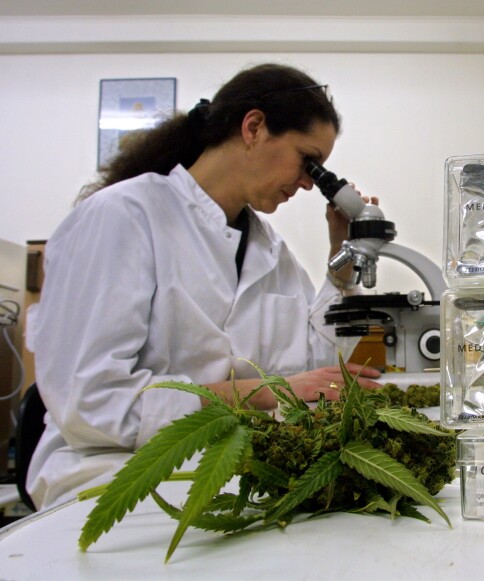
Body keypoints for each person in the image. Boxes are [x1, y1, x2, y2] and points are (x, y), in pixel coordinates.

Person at [25, 63, 383, 510]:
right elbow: (93, 402)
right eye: (307, 161)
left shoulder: (269, 249)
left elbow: (315, 370)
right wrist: (267, 391)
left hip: (232, 468)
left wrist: (342, 263)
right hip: (114, 475)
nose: (311, 184)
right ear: (253, 127)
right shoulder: (122, 216)